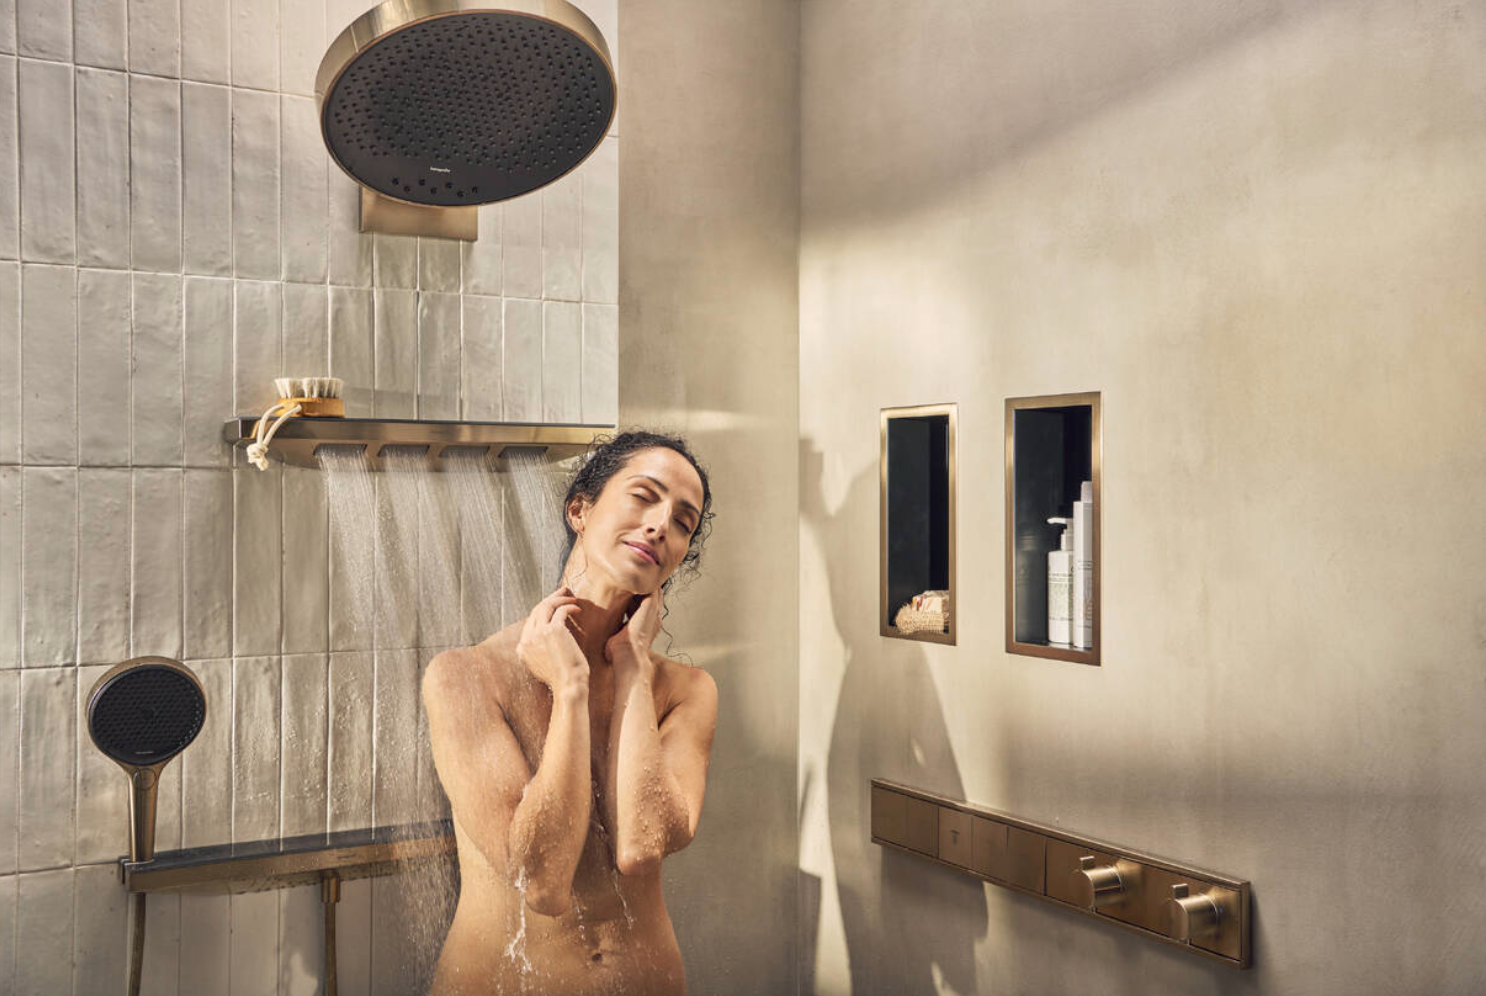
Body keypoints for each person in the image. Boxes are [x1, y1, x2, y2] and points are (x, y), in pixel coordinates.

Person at [424, 431, 718, 996]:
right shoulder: (466, 676)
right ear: (579, 509)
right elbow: (542, 880)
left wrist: (631, 666)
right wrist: (572, 688)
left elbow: (640, 844)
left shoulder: (686, 691)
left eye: (683, 521)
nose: (661, 524)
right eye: (643, 496)